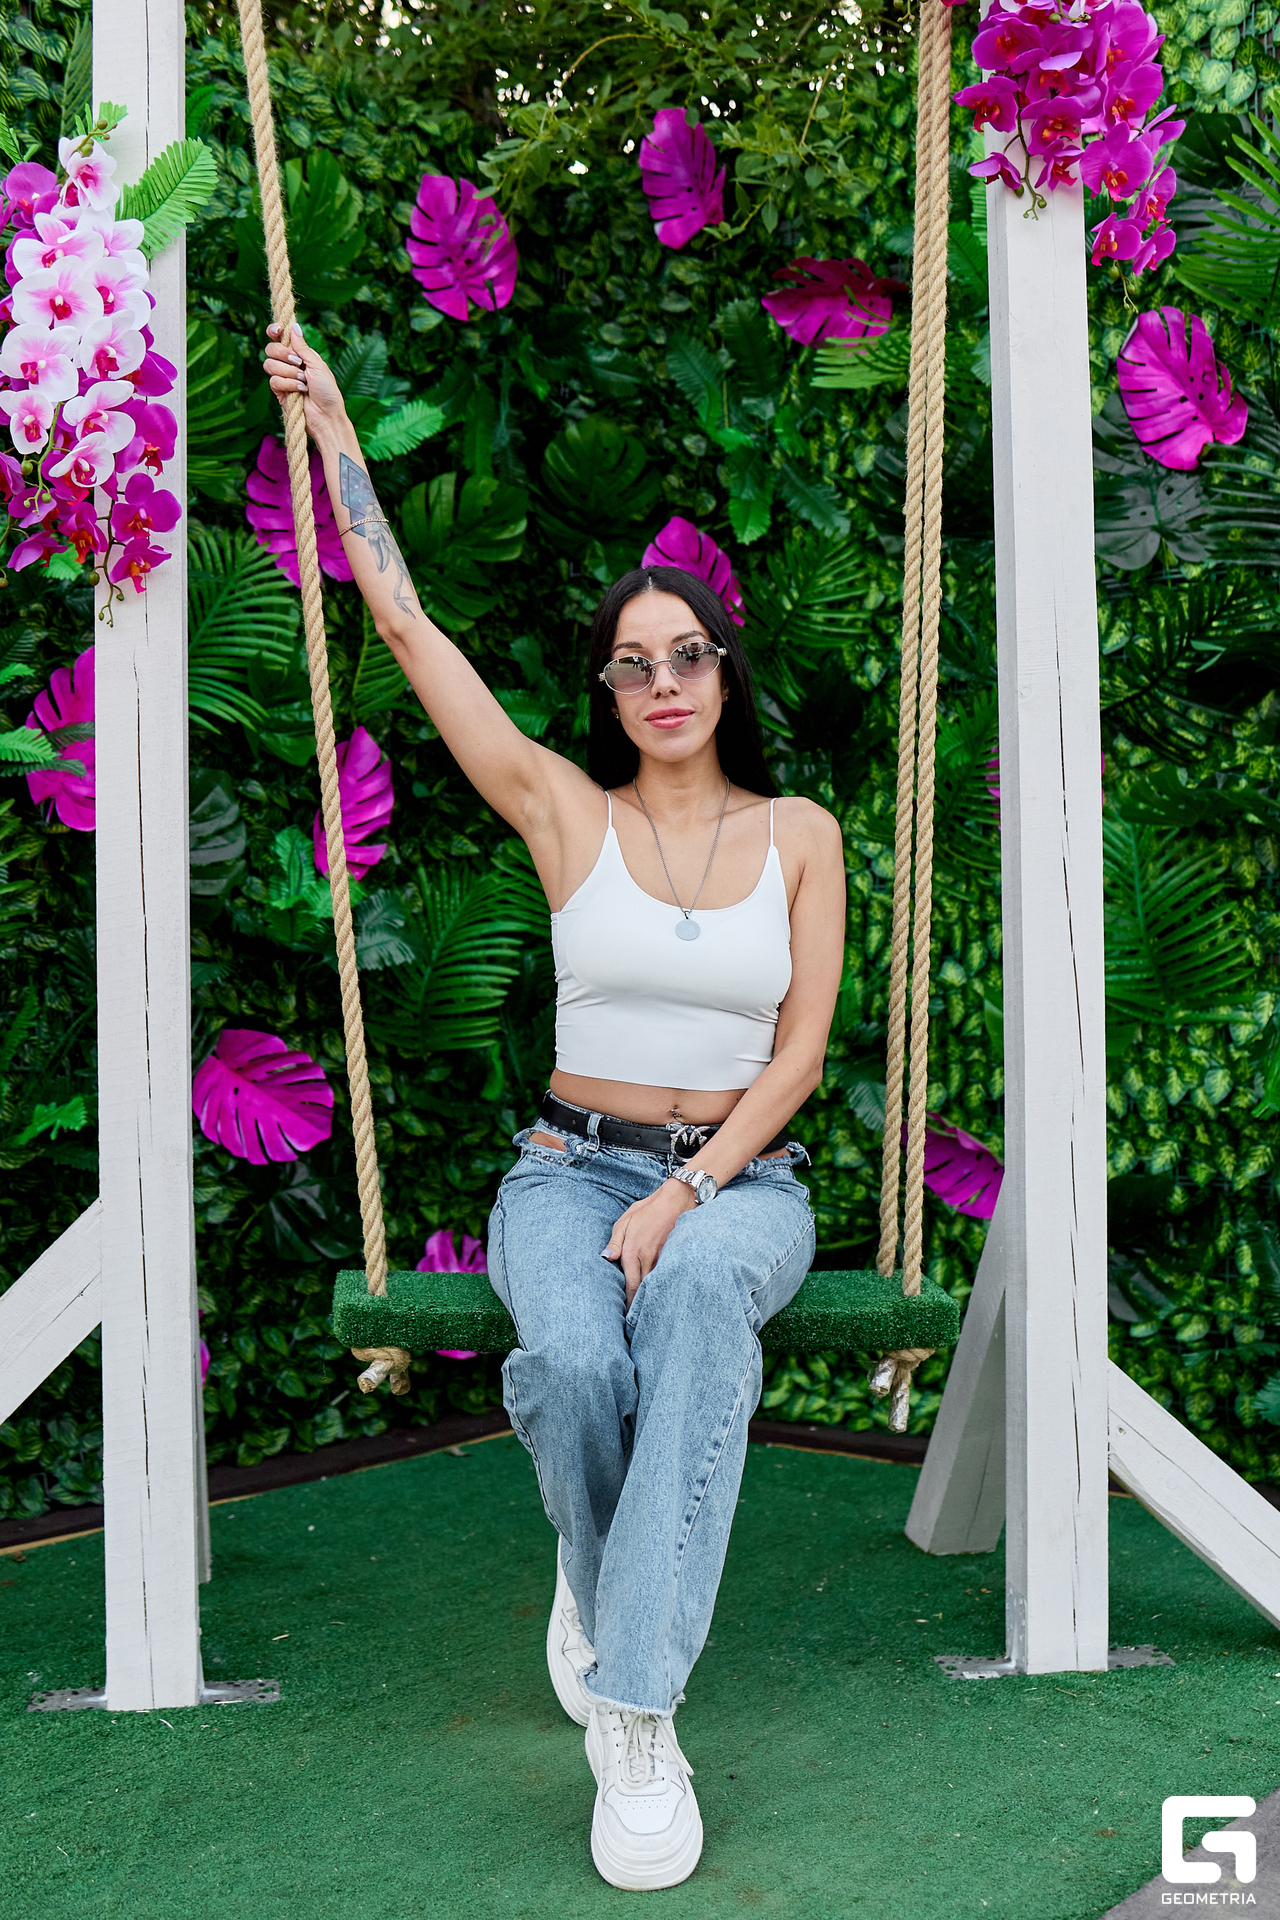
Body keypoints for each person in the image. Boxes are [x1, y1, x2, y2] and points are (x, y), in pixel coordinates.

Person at [263, 322, 846, 1891]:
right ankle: (603, 1581)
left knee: (702, 1294)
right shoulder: (563, 811)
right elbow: (404, 623)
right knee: (575, 1365)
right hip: (565, 1172)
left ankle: (635, 1709)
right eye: (632, 662)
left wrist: (687, 1191)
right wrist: (335, 433)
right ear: (608, 688)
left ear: (725, 670)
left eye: (687, 655)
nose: (663, 683)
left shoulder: (800, 833)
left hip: (740, 1183)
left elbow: (799, 1054)